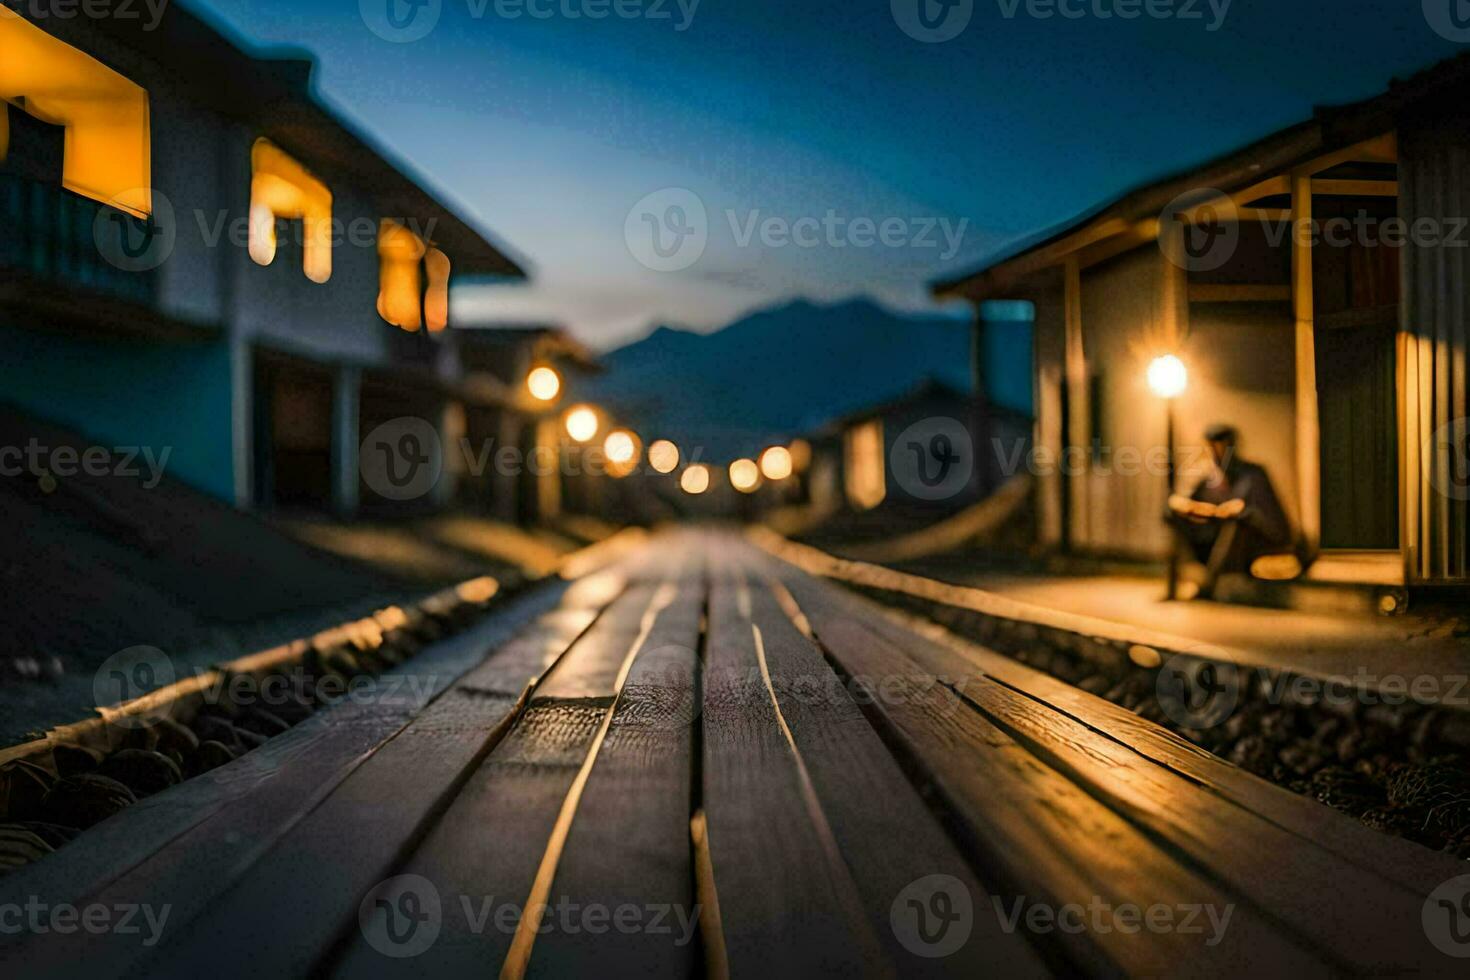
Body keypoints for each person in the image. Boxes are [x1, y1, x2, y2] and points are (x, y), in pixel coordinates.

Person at [1164, 423, 1293, 598]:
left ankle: (1208, 585)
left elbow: (1269, 522)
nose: (1218, 454)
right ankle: (1183, 581)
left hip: (1258, 542)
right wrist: (1191, 508)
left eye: (1224, 448)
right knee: (1173, 515)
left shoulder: (1253, 475)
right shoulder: (1209, 481)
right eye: (1213, 448)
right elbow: (1186, 503)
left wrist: (1237, 512)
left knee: (1238, 520)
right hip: (1215, 542)